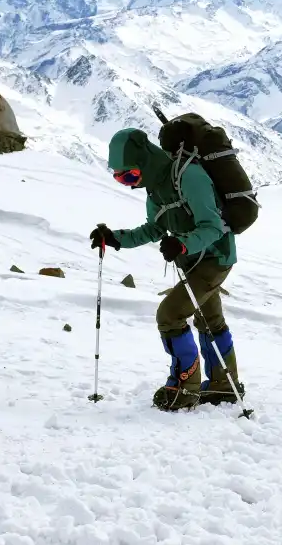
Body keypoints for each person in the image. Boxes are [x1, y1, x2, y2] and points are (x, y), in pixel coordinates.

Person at [90, 128, 241, 412]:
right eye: (120, 178)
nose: (129, 184)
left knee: (169, 315)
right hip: (192, 261)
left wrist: (182, 245)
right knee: (210, 320)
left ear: (145, 162)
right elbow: (155, 228)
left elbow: (213, 227)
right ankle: (224, 384)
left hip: (215, 258)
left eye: (131, 175)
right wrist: (116, 238)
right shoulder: (156, 188)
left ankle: (185, 389)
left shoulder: (190, 178)